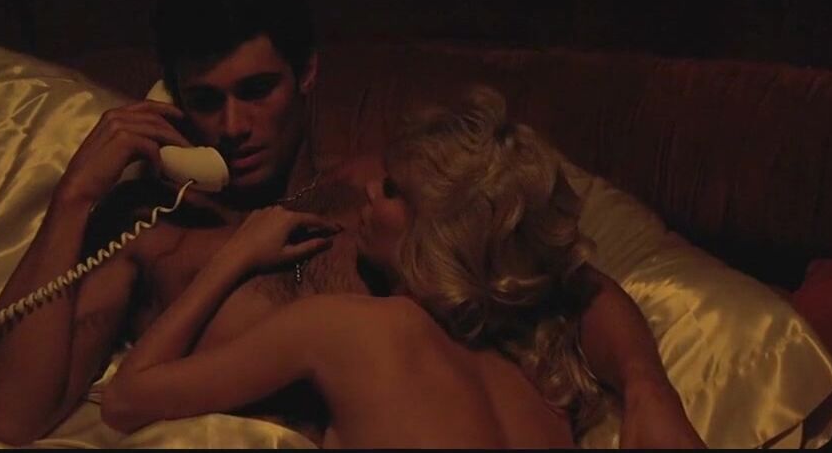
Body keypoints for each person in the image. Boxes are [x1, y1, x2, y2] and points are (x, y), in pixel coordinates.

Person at [0, 0, 704, 447]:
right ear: (171, 102)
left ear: (308, 75)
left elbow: (564, 280)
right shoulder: (151, 231)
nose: (232, 126)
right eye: (205, 101)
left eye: (257, 91)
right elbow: (12, 418)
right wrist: (75, 198)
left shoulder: (383, 195)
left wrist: (648, 388)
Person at [103, 89, 606, 448]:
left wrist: (235, 255)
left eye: (392, 190)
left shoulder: (346, 326)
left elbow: (126, 399)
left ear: (439, 234)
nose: (368, 190)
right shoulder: (540, 381)